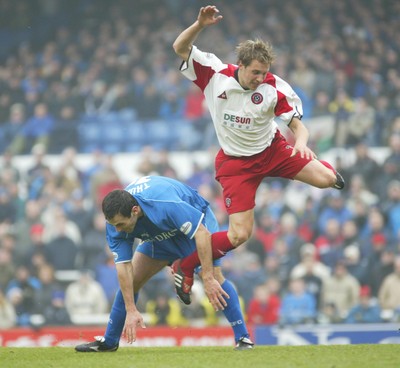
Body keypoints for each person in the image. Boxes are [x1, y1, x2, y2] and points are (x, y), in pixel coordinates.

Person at [171, 5, 345, 302]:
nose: (260, 78)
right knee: (240, 235)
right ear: (240, 64)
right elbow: (179, 47)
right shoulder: (214, 73)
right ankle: (186, 265)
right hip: (236, 164)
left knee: (328, 180)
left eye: (264, 73)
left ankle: (322, 168)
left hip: (273, 150)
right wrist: (199, 25)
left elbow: (298, 126)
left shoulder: (274, 87)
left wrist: (301, 143)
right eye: (255, 72)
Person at [75, 176, 253, 352]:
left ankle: (243, 338)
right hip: (157, 235)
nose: (118, 230)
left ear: (135, 210)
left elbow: (201, 234)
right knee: (131, 282)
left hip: (196, 227)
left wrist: (207, 276)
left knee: (214, 277)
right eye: (113, 225)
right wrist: (131, 309)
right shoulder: (115, 222)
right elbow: (123, 267)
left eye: (121, 224)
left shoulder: (164, 203)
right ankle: (109, 342)